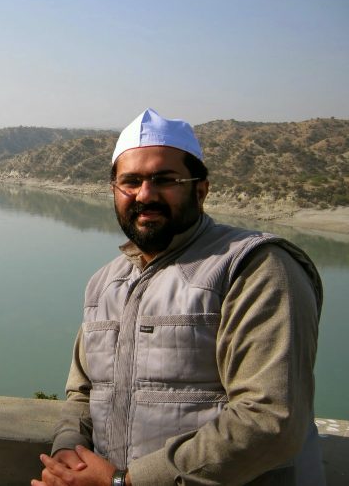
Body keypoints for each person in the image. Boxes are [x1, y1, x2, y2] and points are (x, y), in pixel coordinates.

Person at [32, 109, 324, 486]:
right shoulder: (104, 284)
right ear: (114, 190)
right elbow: (84, 394)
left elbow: (270, 420)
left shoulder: (255, 267)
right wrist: (67, 453)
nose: (145, 195)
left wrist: (127, 481)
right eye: (131, 182)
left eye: (165, 180)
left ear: (200, 189)